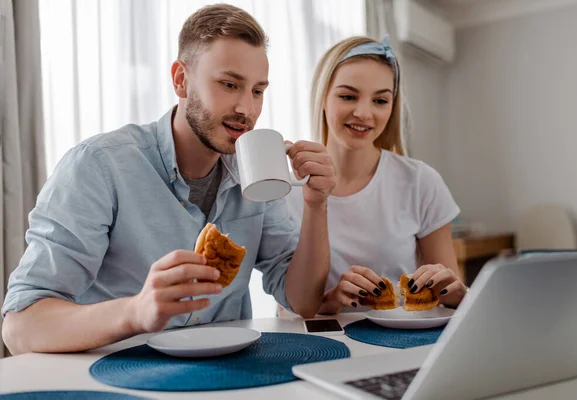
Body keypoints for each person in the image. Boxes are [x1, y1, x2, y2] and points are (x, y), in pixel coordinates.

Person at [2, 4, 335, 355]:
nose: (247, 109)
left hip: (228, 376)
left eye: (257, 91)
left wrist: (316, 204)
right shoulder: (99, 166)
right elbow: (21, 326)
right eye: (229, 84)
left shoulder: (255, 172)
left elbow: (303, 303)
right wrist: (136, 311)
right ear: (180, 80)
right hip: (116, 376)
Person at [286, 36, 465, 315]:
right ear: (323, 97)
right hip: (320, 345)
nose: (363, 113)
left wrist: (455, 289)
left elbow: (451, 297)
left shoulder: (420, 182)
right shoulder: (285, 190)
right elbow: (288, 309)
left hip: (401, 345)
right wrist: (331, 300)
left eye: (380, 100)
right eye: (348, 96)